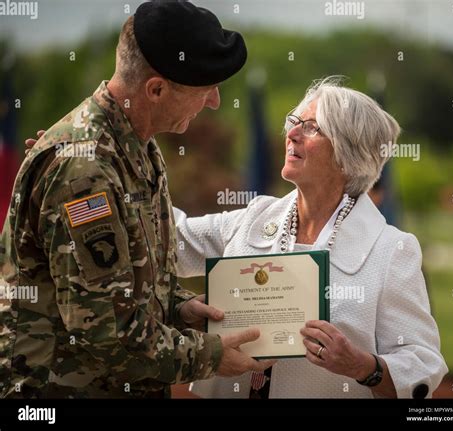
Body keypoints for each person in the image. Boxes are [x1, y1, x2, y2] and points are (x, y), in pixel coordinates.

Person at [0, 1, 273, 399]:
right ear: (156, 89)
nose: (214, 101)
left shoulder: (135, 145)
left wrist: (177, 307)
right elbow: (105, 331)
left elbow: (124, 284)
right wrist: (210, 355)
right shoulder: (85, 170)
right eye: (205, 88)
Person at [173, 77, 448, 398]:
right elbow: (168, 241)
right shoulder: (254, 217)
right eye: (293, 122)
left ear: (350, 153)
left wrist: (363, 366)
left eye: (311, 127)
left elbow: (423, 363)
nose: (291, 134)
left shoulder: (390, 250)